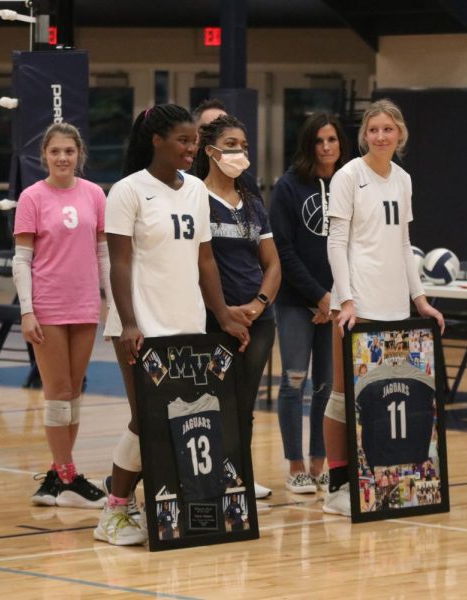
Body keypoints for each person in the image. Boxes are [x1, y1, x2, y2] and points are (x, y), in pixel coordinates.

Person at [95, 104, 249, 546]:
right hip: (142, 325)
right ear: (156, 141)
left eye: (194, 141)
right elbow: (118, 264)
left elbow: (205, 259)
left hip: (188, 324)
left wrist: (221, 315)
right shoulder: (126, 191)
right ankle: (114, 511)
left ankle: (160, 509)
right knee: (147, 421)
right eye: (183, 140)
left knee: (182, 420)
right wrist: (128, 323)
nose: (191, 148)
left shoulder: (197, 189)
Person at [321, 99, 444, 517]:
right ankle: (336, 484)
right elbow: (336, 243)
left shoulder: (404, 180)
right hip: (356, 304)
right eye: (373, 129)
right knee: (343, 396)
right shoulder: (347, 177)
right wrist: (347, 299)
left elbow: (404, 246)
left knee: (383, 397)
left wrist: (420, 299)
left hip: (394, 306)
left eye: (387, 129)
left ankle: (380, 478)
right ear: (364, 135)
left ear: (400, 134)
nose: (380, 136)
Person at [12, 122, 108, 509]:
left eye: (69, 151)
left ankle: (60, 474)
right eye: (56, 152)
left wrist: (112, 302)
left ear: (79, 154)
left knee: (73, 393)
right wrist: (27, 311)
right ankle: (66, 474)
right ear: (45, 156)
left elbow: (103, 253)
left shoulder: (94, 194)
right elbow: (22, 259)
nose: (63, 157)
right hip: (48, 306)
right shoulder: (32, 197)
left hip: (84, 305)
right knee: (56, 394)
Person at [191, 113, 281, 496]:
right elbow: (198, 261)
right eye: (231, 145)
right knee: (214, 398)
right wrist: (225, 313)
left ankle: (239, 473)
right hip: (214, 317)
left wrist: (258, 305)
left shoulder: (253, 204)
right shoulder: (194, 197)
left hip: (258, 317)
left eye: (243, 146)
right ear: (210, 150)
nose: (239, 152)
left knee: (244, 400)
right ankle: (211, 473)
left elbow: (273, 263)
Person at [269, 113, 347, 494]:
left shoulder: (349, 184)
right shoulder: (288, 187)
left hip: (336, 302)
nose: (327, 147)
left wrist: (335, 295)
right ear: (308, 144)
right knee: (294, 381)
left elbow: (353, 244)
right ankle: (296, 464)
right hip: (296, 301)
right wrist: (318, 294)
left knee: (328, 386)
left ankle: (321, 462)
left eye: (332, 139)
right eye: (320, 140)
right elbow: (283, 248)